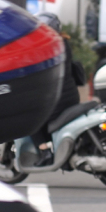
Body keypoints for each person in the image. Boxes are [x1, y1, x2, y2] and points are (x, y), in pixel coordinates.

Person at [31, 13, 83, 166]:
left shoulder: (49, 47)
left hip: (57, 99)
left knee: (31, 120)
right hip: (71, 96)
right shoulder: (64, 43)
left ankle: (45, 152)